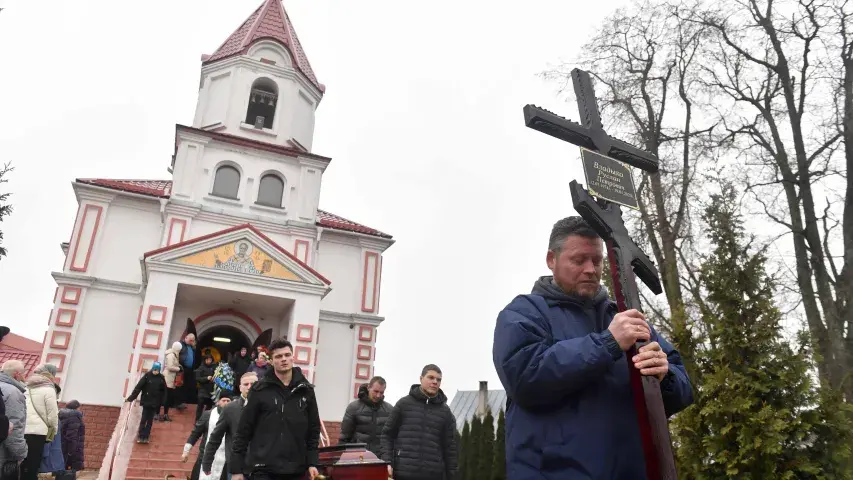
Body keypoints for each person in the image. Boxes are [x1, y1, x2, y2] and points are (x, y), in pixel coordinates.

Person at [492, 216, 694, 479]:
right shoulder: (524, 313)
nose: (590, 269)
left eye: (597, 261)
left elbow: (683, 390)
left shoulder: (624, 318)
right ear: (552, 260)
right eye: (579, 260)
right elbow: (524, 377)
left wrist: (664, 376)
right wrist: (608, 343)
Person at [230, 339, 320, 480]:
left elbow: (313, 430)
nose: (284, 359)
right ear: (271, 361)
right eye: (278, 356)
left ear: (292, 357)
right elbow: (243, 430)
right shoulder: (259, 390)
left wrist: (313, 462)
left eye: (287, 355)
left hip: (296, 469)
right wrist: (236, 470)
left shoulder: (306, 390)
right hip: (263, 469)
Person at [379, 364, 458, 480]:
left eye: (438, 379)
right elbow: (387, 435)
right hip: (403, 473)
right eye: (431, 377)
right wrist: (387, 462)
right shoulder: (404, 404)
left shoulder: (445, 412)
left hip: (433, 474)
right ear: (421, 379)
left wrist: (452, 476)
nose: (435, 382)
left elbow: (450, 447)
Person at [202, 372, 258, 479]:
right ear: (240, 387)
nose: (249, 387)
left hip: (263, 469)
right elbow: (215, 437)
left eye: (253, 384)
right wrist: (207, 462)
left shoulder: (268, 407)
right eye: (246, 384)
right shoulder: (230, 409)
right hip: (238, 469)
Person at [21, 364, 59, 480]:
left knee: (21, 461)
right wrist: (53, 431)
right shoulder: (49, 388)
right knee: (33, 463)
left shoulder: (25, 386)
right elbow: (52, 413)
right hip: (38, 432)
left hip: (21, 428)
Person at [338, 376, 392, 456]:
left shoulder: (389, 409)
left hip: (380, 459)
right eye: (375, 391)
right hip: (357, 458)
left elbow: (391, 438)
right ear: (368, 388)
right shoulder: (354, 407)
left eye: (381, 392)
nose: (378, 395)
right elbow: (344, 437)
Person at [182, 394, 231, 480]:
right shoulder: (208, 415)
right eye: (224, 400)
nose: (226, 403)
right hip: (205, 457)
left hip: (224, 461)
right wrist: (186, 451)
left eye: (228, 401)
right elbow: (195, 433)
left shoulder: (234, 417)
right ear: (218, 402)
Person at [125, 362, 167, 444]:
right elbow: (138, 388)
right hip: (146, 401)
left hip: (154, 403)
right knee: (144, 419)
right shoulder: (147, 376)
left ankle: (146, 436)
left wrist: (163, 402)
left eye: (157, 370)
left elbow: (164, 391)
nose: (156, 371)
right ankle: (141, 435)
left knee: (150, 421)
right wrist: (131, 398)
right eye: (154, 370)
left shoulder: (161, 378)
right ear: (152, 369)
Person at [0, 360, 29, 479]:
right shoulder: (13, 393)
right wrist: (21, 453)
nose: (25, 376)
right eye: (24, 372)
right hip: (3, 452)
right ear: (17, 374)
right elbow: (14, 426)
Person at [58, 400, 84, 472]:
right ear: (76, 407)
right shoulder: (74, 416)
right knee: (68, 471)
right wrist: (72, 450)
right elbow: (72, 435)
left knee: (61, 468)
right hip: (70, 447)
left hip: (62, 444)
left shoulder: (63, 414)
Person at [161, 342, 183, 421]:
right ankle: (164, 414)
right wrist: (178, 369)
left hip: (170, 378)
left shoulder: (173, 354)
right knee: (166, 397)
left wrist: (179, 366)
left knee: (168, 397)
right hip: (168, 378)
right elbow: (170, 367)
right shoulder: (171, 355)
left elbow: (174, 364)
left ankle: (165, 414)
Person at [179, 333, 198, 409]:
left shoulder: (191, 346)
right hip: (182, 368)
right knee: (181, 385)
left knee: (189, 385)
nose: (191, 342)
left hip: (190, 369)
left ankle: (185, 401)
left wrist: (194, 346)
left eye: (192, 341)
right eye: (190, 340)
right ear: (186, 338)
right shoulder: (180, 344)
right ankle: (179, 402)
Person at [194, 355, 216, 422]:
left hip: (210, 390)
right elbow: (197, 378)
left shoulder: (213, 368)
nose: (209, 361)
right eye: (208, 360)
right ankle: (197, 420)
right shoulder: (201, 368)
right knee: (200, 405)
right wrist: (206, 378)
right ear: (205, 360)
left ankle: (205, 419)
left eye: (210, 360)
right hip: (202, 389)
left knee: (209, 405)